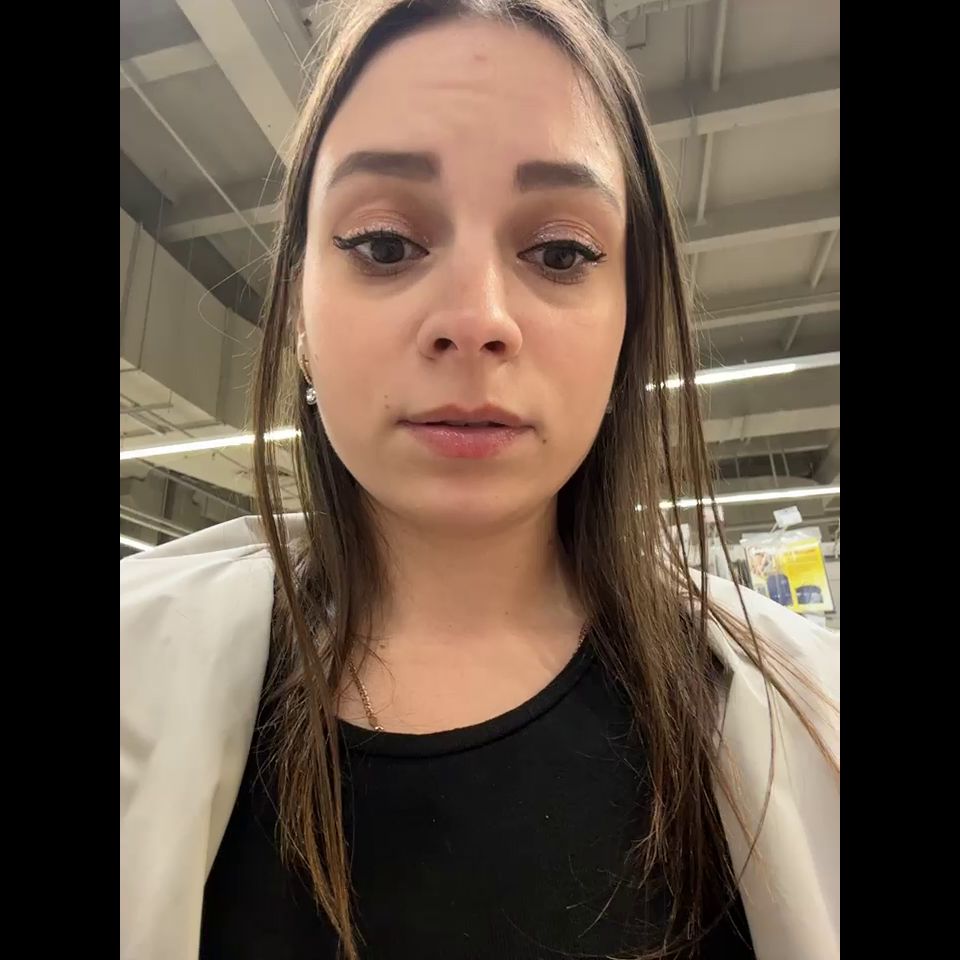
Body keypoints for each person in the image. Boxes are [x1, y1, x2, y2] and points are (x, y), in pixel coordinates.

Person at [119, 2, 839, 959]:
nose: (475, 318)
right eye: (384, 243)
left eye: (561, 253)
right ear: (297, 313)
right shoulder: (135, 673)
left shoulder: (814, 722)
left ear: (628, 321)